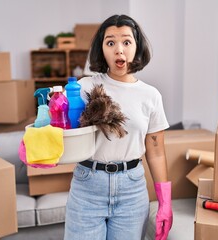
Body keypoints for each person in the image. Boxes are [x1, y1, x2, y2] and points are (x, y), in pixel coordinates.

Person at [64, 14, 172, 240]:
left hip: (131, 189)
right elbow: (63, 129)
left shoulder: (150, 96)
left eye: (126, 42)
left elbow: (156, 151)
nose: (119, 50)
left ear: (137, 47)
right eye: (110, 42)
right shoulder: (85, 87)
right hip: (88, 186)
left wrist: (165, 201)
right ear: (101, 49)